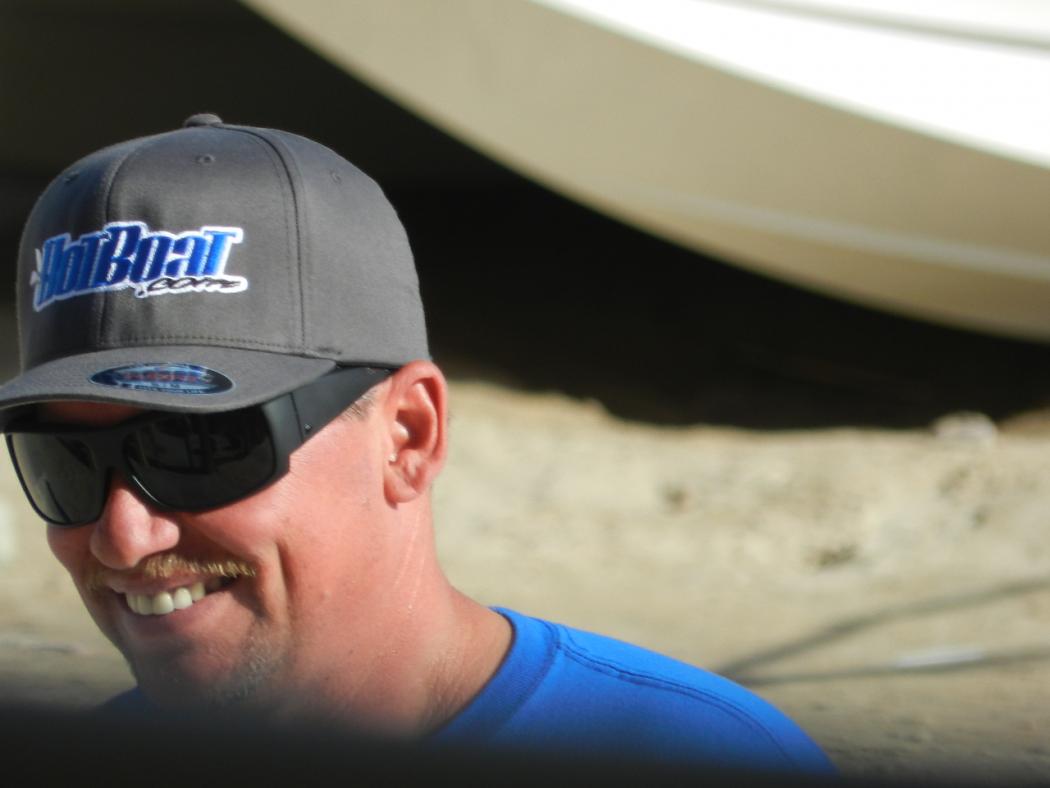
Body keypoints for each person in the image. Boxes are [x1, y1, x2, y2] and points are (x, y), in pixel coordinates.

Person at [0, 115, 834, 776]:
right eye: (64, 461)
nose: (122, 537)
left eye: (196, 445)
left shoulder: (697, 757)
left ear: (408, 435)